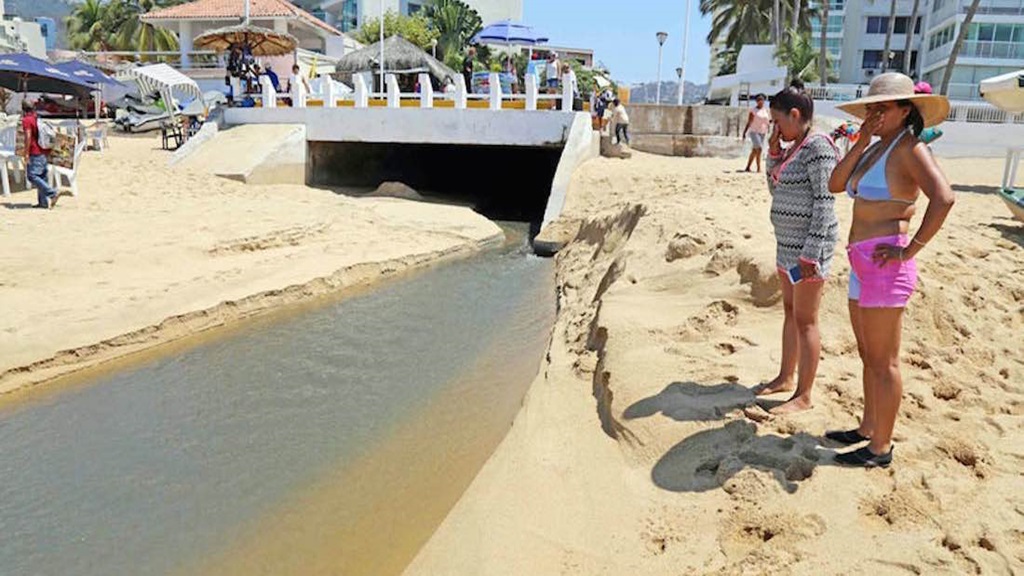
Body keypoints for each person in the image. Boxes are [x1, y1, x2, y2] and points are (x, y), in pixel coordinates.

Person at [826, 73, 955, 468]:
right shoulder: (875, 148)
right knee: (869, 355)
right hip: (861, 262)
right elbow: (835, 184)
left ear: (905, 110)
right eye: (871, 108)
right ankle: (868, 427)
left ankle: (881, 447)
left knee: (885, 362)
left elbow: (944, 198)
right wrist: (861, 140)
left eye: (882, 108)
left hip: (886, 265)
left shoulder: (910, 149)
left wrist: (910, 250)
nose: (874, 114)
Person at [757, 86, 840, 414]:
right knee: (791, 311)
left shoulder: (818, 147)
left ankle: (804, 395)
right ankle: (785, 377)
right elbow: (775, 189)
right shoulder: (794, 148)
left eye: (777, 122)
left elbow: (825, 202)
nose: (775, 129)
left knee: (806, 319)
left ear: (795, 115)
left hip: (807, 250)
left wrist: (811, 253)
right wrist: (773, 153)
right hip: (787, 247)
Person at [21, 99, 58, 209]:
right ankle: (43, 203)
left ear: (23, 109)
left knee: (32, 176)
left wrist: (26, 153)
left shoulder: (26, 120)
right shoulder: (36, 118)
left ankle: (52, 193)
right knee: (42, 176)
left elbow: (28, 137)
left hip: (35, 151)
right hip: (43, 150)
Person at [742, 94, 770, 172]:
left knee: (755, 150)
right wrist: (744, 132)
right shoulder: (753, 111)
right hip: (754, 132)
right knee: (759, 148)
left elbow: (767, 121)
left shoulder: (765, 110)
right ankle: (758, 168)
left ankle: (748, 167)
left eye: (762, 100)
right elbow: (749, 122)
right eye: (758, 100)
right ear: (756, 101)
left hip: (762, 132)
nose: (760, 101)